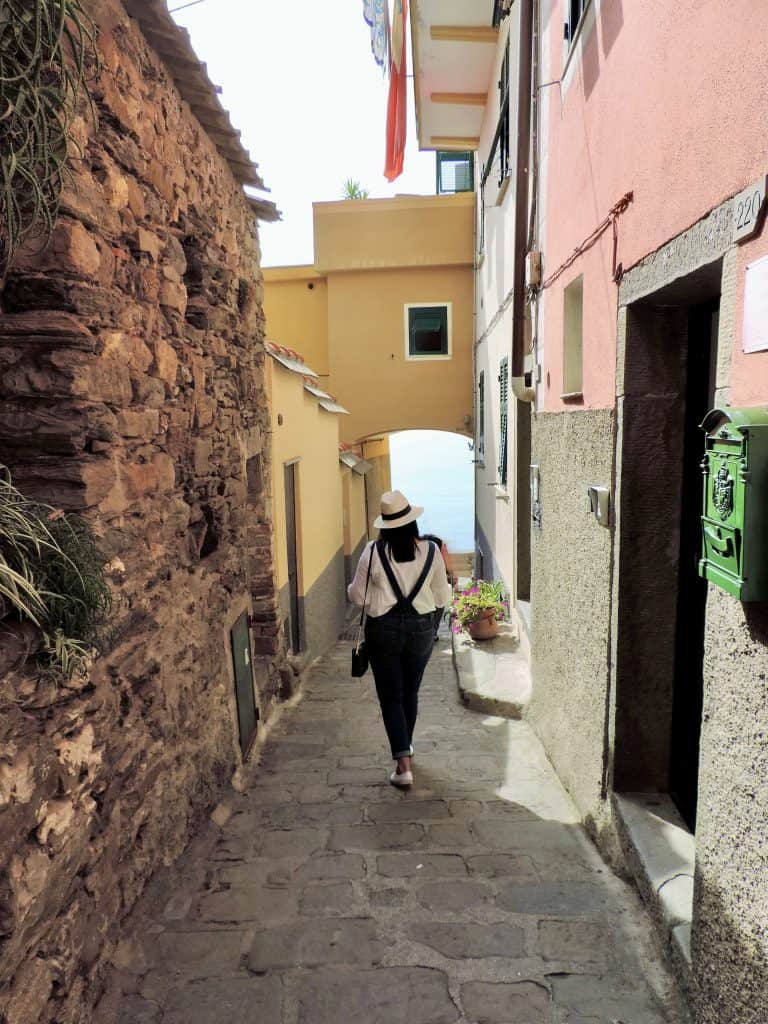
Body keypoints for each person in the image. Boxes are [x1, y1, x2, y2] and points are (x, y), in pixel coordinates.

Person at [348, 490, 453, 787]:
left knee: (391, 696)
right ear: (412, 523)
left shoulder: (372, 551)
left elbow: (357, 596)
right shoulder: (432, 552)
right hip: (421, 631)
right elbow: (442, 595)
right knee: (410, 692)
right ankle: (405, 744)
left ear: (385, 525)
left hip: (383, 631)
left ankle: (403, 764)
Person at [420, 533, 455, 640]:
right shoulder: (439, 544)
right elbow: (446, 558)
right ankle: (433, 632)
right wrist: (452, 573)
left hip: (422, 578)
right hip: (437, 576)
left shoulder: (422, 544)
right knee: (439, 604)